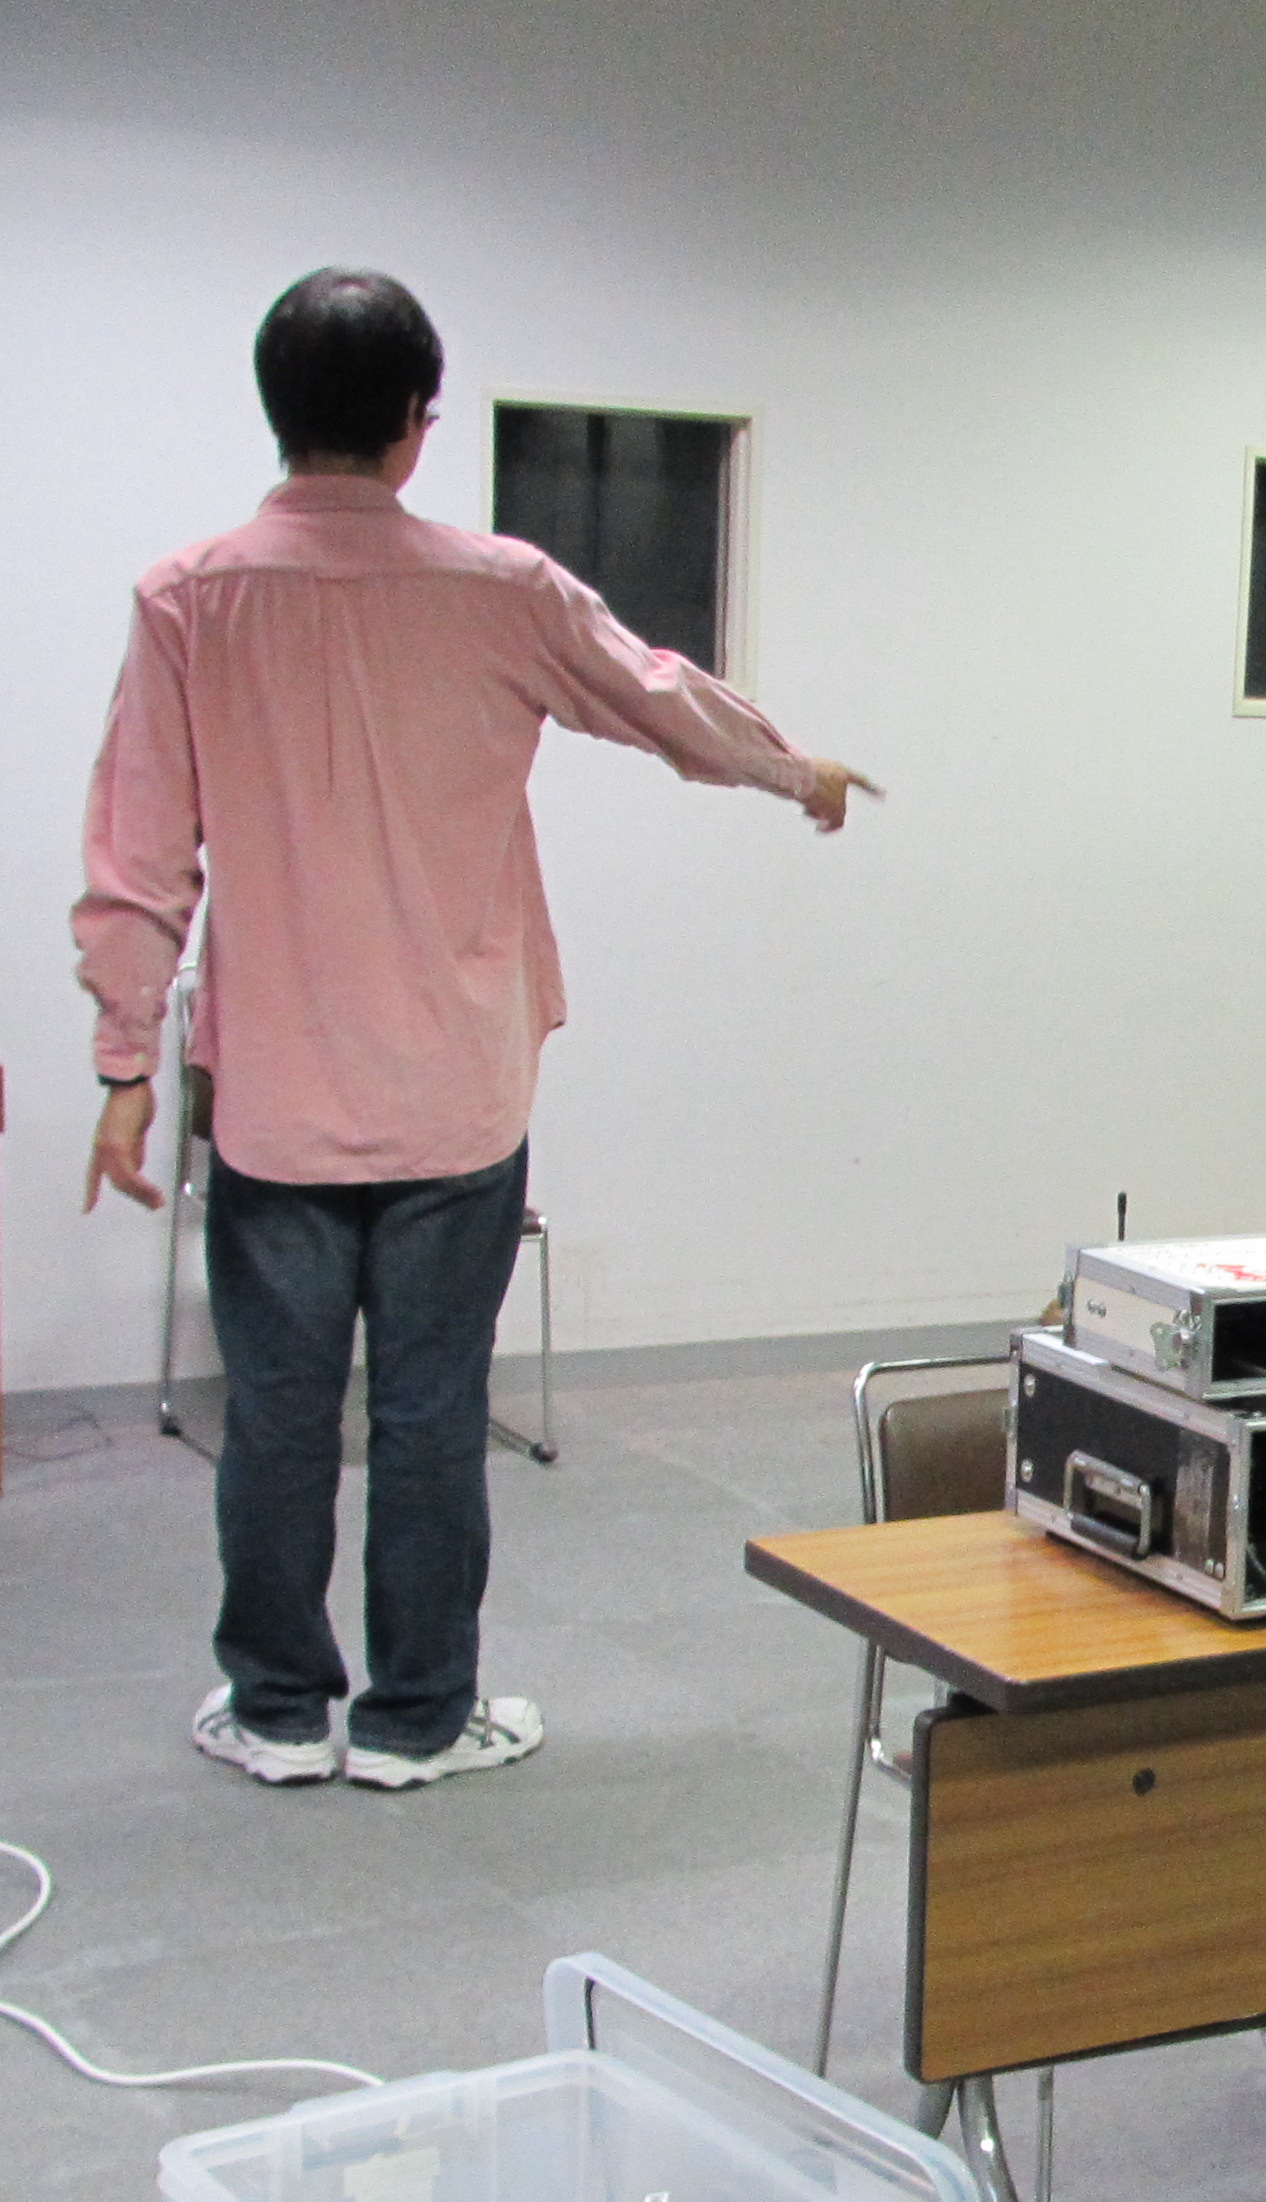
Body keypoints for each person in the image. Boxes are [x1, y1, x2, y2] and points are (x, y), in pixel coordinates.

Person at [75, 270, 874, 1791]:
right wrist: (795, 769)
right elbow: (659, 699)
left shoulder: (187, 597)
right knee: (435, 1416)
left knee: (278, 1419)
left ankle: (276, 1711)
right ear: (416, 422)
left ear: (276, 411)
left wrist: (124, 1068)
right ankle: (418, 1720)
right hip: (455, 1093)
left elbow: (138, 855)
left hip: (277, 1102)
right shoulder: (499, 589)